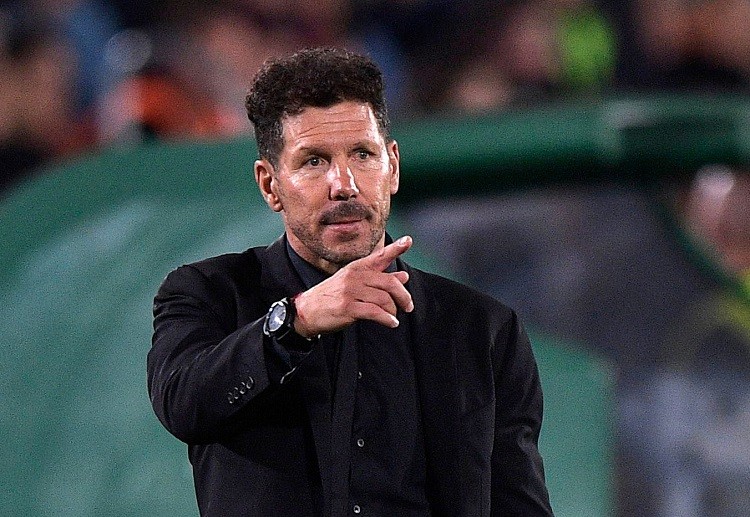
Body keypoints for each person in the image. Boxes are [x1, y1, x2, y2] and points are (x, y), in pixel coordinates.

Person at [147, 47, 553, 516]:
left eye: (362, 154)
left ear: (392, 166)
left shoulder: (483, 330)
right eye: (313, 161)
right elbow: (183, 401)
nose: (344, 184)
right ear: (270, 184)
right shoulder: (207, 293)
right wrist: (296, 321)